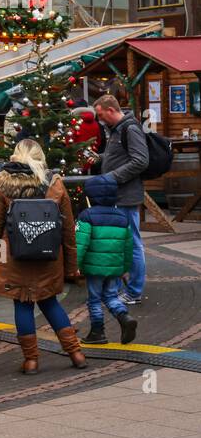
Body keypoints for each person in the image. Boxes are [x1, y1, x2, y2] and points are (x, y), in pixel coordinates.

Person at [0, 138, 85, 374]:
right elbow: (69, 229)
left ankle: (31, 361)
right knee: (50, 302)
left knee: (22, 304)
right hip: (49, 257)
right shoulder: (55, 184)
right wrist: (71, 266)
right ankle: (76, 353)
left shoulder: (4, 185)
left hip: (15, 258)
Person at [92, 94, 149, 305]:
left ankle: (133, 292)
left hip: (125, 196)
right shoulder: (116, 130)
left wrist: (112, 177)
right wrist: (100, 159)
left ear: (110, 110)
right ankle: (118, 290)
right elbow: (122, 157)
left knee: (132, 244)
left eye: (100, 115)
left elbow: (141, 160)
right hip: (118, 195)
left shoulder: (129, 129)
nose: (99, 120)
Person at [76, 175, 138, 346]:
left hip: (94, 268)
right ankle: (124, 317)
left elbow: (80, 244)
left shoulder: (86, 216)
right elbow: (128, 246)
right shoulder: (122, 217)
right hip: (114, 267)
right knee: (111, 296)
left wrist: (76, 265)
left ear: (90, 197)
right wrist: (124, 268)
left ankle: (97, 332)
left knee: (94, 299)